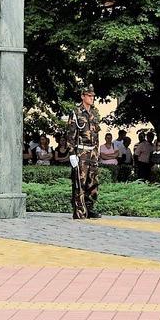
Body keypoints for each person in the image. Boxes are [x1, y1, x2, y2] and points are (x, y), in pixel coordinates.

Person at [63, 85, 102, 220]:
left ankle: (90, 208)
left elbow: (96, 135)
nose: (92, 98)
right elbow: (70, 135)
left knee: (93, 182)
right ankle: (79, 211)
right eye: (89, 96)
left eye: (93, 96)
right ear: (82, 96)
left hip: (92, 153)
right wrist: (72, 153)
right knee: (80, 183)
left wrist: (97, 152)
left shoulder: (94, 114)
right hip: (81, 151)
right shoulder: (75, 113)